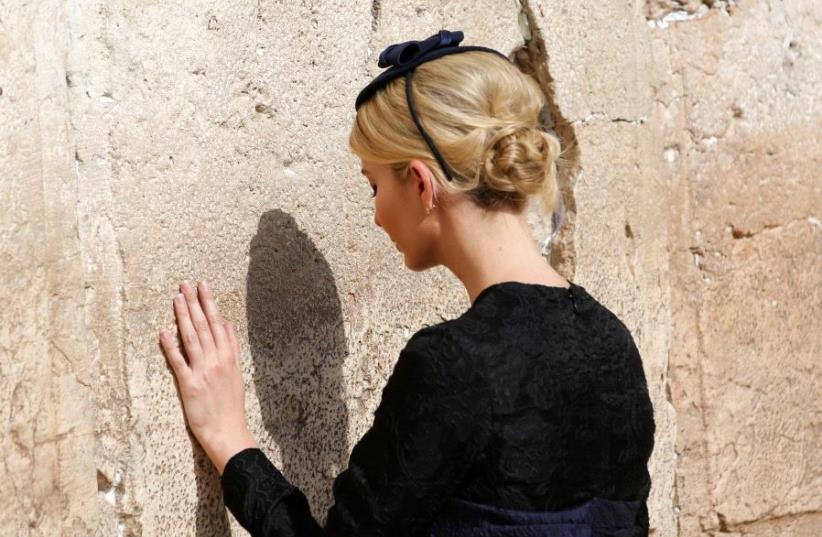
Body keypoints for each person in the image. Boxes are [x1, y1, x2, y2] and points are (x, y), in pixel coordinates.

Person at [159, 30, 655, 537]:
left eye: (374, 186)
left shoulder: (451, 363)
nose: (375, 216)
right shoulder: (612, 342)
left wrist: (230, 442)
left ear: (421, 183)